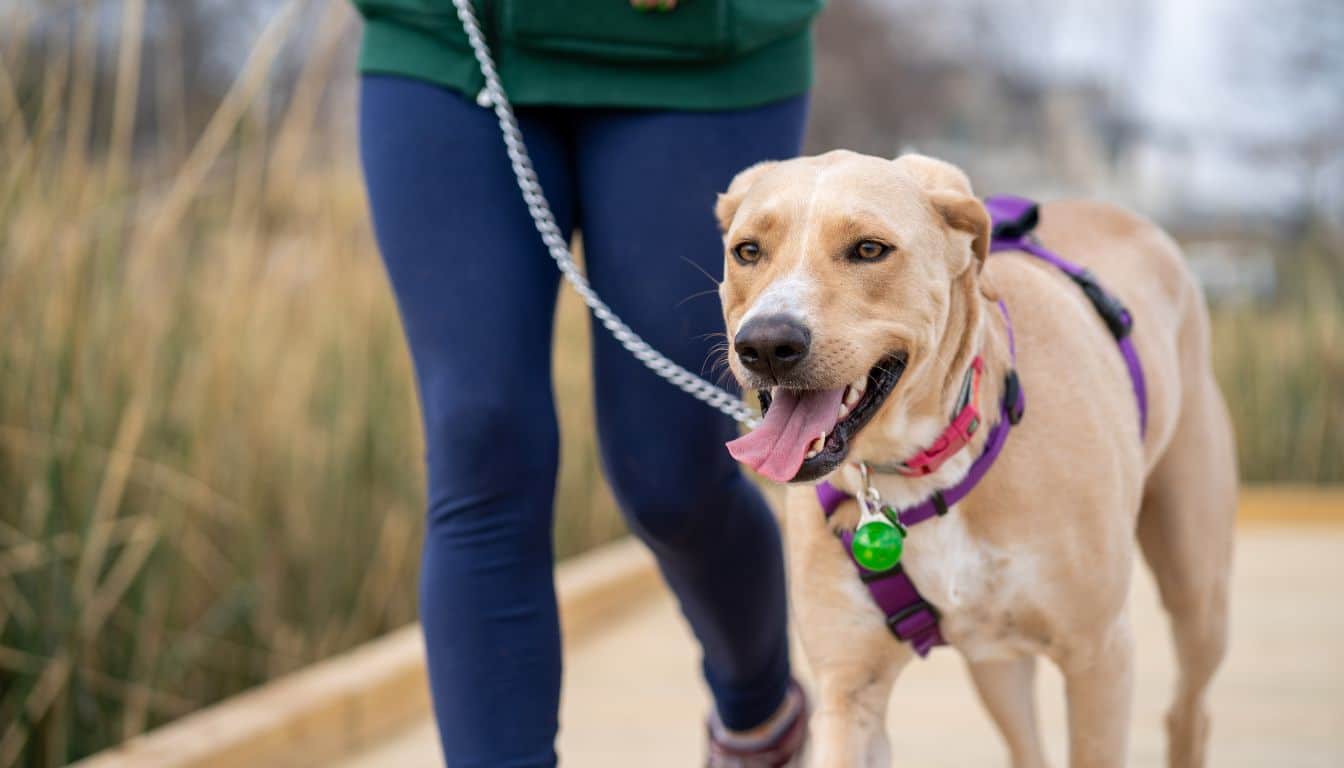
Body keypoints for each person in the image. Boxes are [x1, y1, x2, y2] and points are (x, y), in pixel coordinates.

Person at [352, 1, 822, 764]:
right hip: (449, 45)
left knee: (671, 475)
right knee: (481, 441)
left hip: (698, 58)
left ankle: (760, 713)